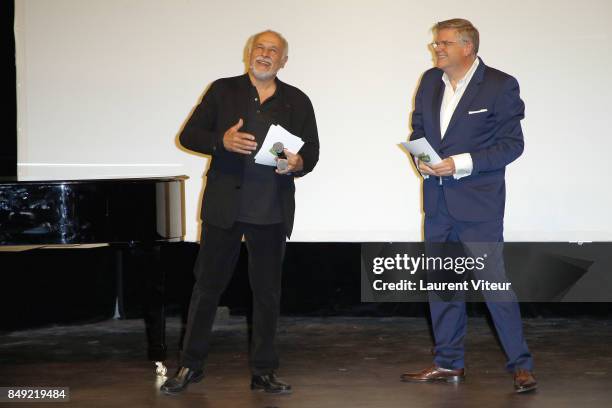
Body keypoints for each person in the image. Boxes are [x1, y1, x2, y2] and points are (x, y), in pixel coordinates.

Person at [160, 30, 319, 395]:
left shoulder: (297, 101)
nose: (265, 54)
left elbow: (312, 154)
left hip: (272, 210)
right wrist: (221, 142)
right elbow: (189, 136)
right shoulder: (222, 90)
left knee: (267, 294)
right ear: (250, 53)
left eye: (273, 51)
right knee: (206, 289)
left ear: (283, 61)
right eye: (259, 48)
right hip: (225, 208)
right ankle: (190, 365)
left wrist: (297, 163)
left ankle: (264, 371)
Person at [400, 19, 537, 393]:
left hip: (478, 205)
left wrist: (460, 163)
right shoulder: (430, 81)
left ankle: (521, 366)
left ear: (467, 47)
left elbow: (512, 145)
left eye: (443, 43)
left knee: (493, 285)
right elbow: (418, 129)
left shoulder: (499, 85)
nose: (436, 49)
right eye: (435, 43)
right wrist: (421, 157)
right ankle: (448, 363)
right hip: (438, 201)